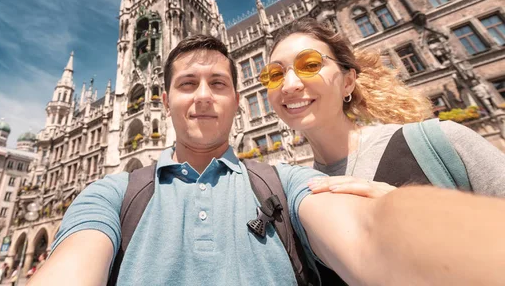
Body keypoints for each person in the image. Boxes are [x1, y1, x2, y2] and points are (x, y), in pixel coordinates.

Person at [28, 34, 505, 286]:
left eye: (219, 84)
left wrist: (421, 220)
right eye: (186, 84)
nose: (202, 98)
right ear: (164, 100)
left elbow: (367, 237)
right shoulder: (113, 193)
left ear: (239, 99)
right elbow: (73, 266)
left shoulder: (285, 181)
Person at [261, 19, 505, 199]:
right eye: (274, 74)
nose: (289, 85)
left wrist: (413, 209)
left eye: (311, 64)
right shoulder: (299, 189)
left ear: (348, 82)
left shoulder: (441, 142)